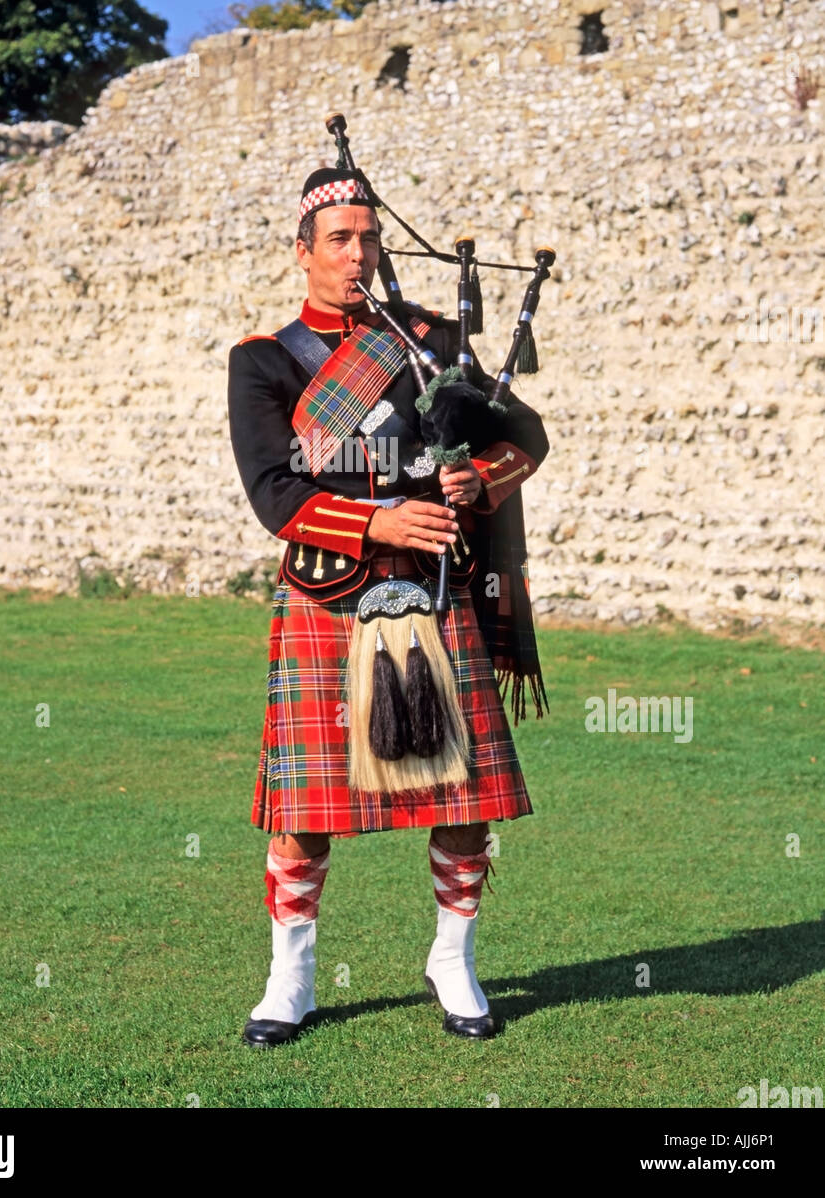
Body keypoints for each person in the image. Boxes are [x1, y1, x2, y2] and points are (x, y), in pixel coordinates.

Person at [226, 166, 549, 1046]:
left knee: (461, 794)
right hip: (326, 599)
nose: (359, 253)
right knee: (302, 810)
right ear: (305, 253)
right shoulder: (263, 360)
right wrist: (378, 517)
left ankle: (454, 960)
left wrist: (471, 477)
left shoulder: (431, 343)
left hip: (436, 589)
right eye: (339, 240)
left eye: (369, 237)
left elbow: (524, 436)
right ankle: (289, 976)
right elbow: (272, 493)